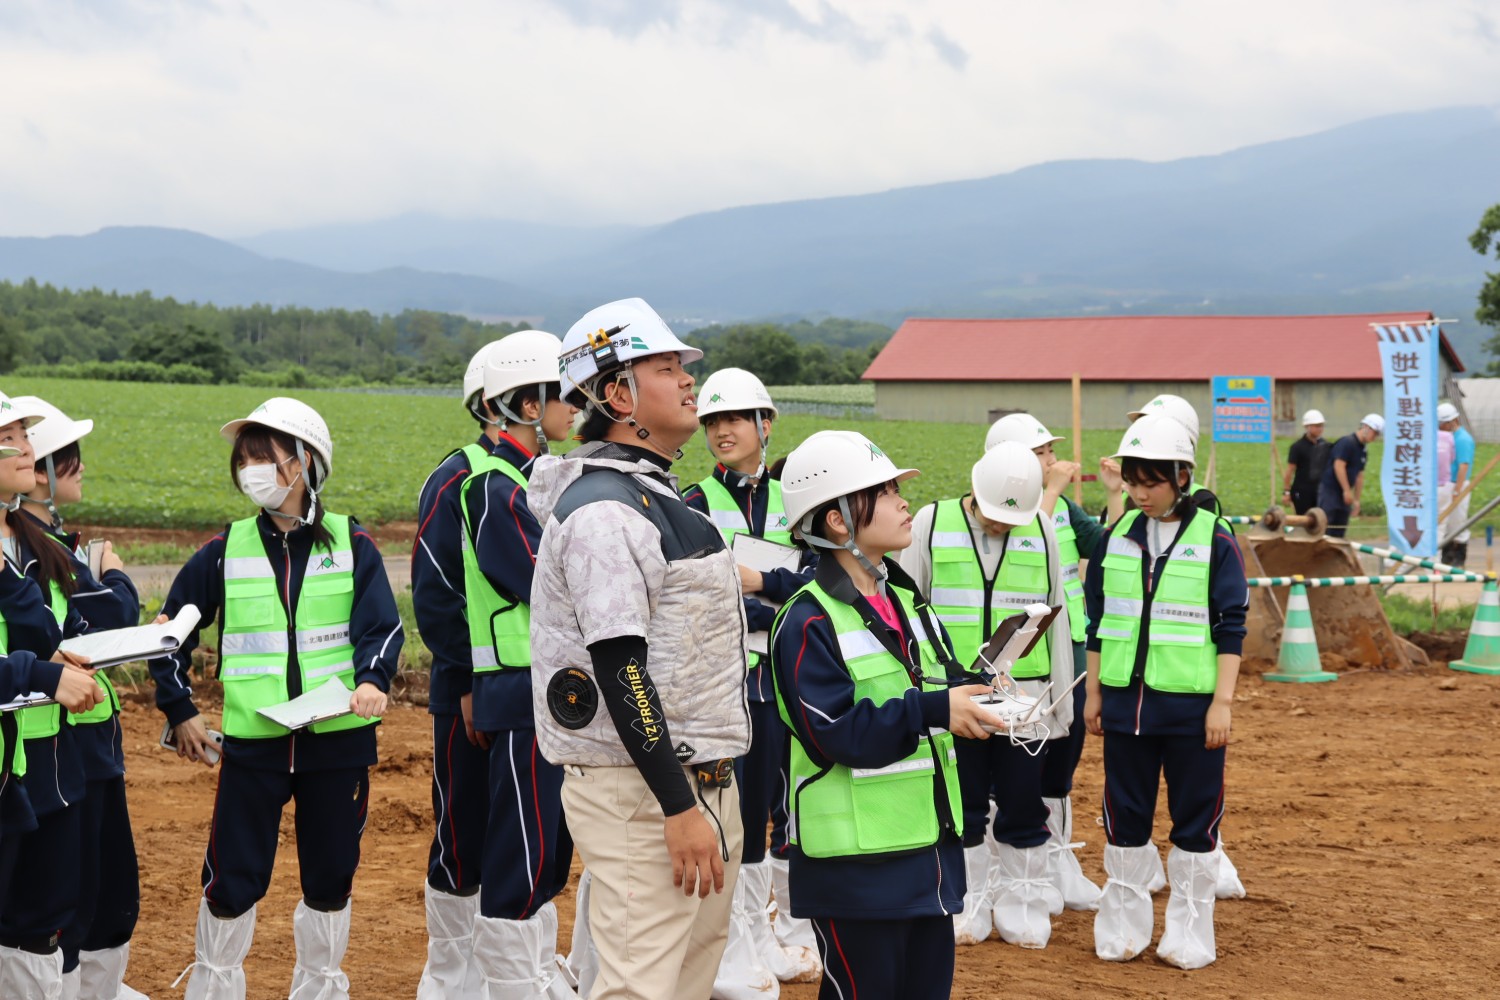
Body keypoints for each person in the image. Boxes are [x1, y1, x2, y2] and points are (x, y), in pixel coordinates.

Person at [528, 298, 751, 1000]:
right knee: (641, 985)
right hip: (646, 794)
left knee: (688, 975)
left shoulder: (655, 497)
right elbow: (618, 665)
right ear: (619, 394)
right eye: (666, 368)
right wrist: (678, 806)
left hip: (699, 781)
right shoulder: (603, 511)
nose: (690, 381)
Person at [150, 397, 403, 1000]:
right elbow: (166, 635)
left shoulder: (353, 544)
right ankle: (215, 989)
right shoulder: (224, 550)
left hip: (336, 742)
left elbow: (383, 628)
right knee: (232, 877)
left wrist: (372, 680)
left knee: (331, 875)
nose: (250, 469)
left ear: (305, 463)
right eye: (244, 458)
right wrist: (179, 707)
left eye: (264, 456)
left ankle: (319, 988)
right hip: (254, 747)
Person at [769, 429, 997, 1000]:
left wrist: (979, 691)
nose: (902, 502)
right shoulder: (805, 622)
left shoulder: (903, 595)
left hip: (926, 851)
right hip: (855, 869)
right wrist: (937, 707)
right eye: (885, 490)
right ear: (839, 522)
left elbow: (937, 684)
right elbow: (837, 734)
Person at [1083, 414, 1248, 970]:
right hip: (1126, 709)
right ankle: (1124, 931)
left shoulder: (1216, 541)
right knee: (1124, 819)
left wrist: (1222, 703)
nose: (1140, 493)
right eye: (1133, 481)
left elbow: (1231, 627)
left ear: (1182, 476)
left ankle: (1189, 935)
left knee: (1195, 822)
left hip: (1192, 710)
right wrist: (1095, 695)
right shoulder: (1114, 538)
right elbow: (1099, 619)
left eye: (1151, 481)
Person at [899, 437, 1074, 950]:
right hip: (959, 697)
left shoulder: (1042, 527)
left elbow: (1057, 615)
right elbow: (911, 612)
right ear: (973, 491)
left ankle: (1022, 896)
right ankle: (968, 897)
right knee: (964, 799)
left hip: (1026, 697)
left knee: (1023, 801)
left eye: (1009, 520)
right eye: (995, 517)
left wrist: (1059, 703)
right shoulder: (930, 524)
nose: (1001, 527)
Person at [682, 368, 820, 994]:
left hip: (789, 682)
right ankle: (732, 946)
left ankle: (764, 932)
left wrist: (764, 588)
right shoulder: (691, 505)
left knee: (778, 807)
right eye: (711, 422)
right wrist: (771, 609)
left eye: (734, 419)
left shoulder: (801, 501)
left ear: (766, 424)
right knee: (732, 813)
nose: (721, 432)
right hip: (725, 686)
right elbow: (691, 596)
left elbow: (820, 582)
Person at [457, 332, 581, 998]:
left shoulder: (537, 479)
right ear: (525, 403)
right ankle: (510, 985)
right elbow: (547, 582)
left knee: (549, 849)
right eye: (557, 393)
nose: (570, 405)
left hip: (553, 692)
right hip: (521, 690)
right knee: (522, 849)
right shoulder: (493, 488)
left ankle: (532, 976)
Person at [14, 396, 148, 999]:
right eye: (71, 458)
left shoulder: (47, 543)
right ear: (41, 471)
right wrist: (115, 577)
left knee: (96, 894)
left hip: (79, 739)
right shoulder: (39, 552)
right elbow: (107, 616)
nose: (82, 469)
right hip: (50, 745)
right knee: (53, 907)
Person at [411, 338, 514, 998]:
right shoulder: (459, 476)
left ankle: (500, 972)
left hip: (524, 693)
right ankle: (449, 979)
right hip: (472, 693)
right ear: (503, 403)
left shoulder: (538, 475)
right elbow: (438, 594)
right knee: (462, 828)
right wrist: (469, 682)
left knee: (515, 827)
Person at [0, 390, 108, 997]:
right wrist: (42, 674)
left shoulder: (27, 545)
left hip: (33, 766)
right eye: (12, 435)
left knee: (38, 927)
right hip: (18, 762)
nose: (27, 447)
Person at [981, 413, 1107, 912]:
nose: (1052, 463)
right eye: (1040, 455)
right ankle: (999, 865)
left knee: (1062, 751)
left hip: (1062, 643)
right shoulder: (1004, 516)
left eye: (1050, 454)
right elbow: (1033, 532)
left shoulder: (1066, 507)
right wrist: (1049, 488)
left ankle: (1054, 856)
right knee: (1007, 768)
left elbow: (1104, 545)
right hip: (1007, 662)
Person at [1101, 394, 1222, 522]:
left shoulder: (1202, 499)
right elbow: (1112, 539)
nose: (1141, 495)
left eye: (1151, 484)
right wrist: (1114, 495)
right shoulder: (1121, 496)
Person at [1317, 414, 1383, 538]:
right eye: (1375, 433)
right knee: (1326, 526)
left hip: (1345, 495)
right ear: (1366, 427)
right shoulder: (1347, 442)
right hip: (1331, 491)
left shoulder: (1363, 450)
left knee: (1340, 528)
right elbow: (1339, 466)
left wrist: (1356, 499)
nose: (1375, 437)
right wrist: (1346, 490)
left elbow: (1359, 475)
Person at [1438, 402, 1475, 568]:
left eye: (1444, 424)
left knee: (1458, 521)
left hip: (1458, 484)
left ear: (1453, 421)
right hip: (1446, 483)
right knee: (1445, 520)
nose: (1442, 427)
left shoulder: (1463, 439)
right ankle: (1447, 555)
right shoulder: (1448, 437)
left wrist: (1457, 490)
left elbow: (1463, 465)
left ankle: (1459, 556)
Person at [1283, 409, 1331, 515]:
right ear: (1307, 426)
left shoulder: (1325, 446)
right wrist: (1286, 492)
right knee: (1303, 522)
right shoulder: (1297, 447)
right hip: (1302, 492)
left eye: (1321, 425)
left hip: (1320, 491)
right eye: (1317, 426)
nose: (1320, 429)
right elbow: (1290, 470)